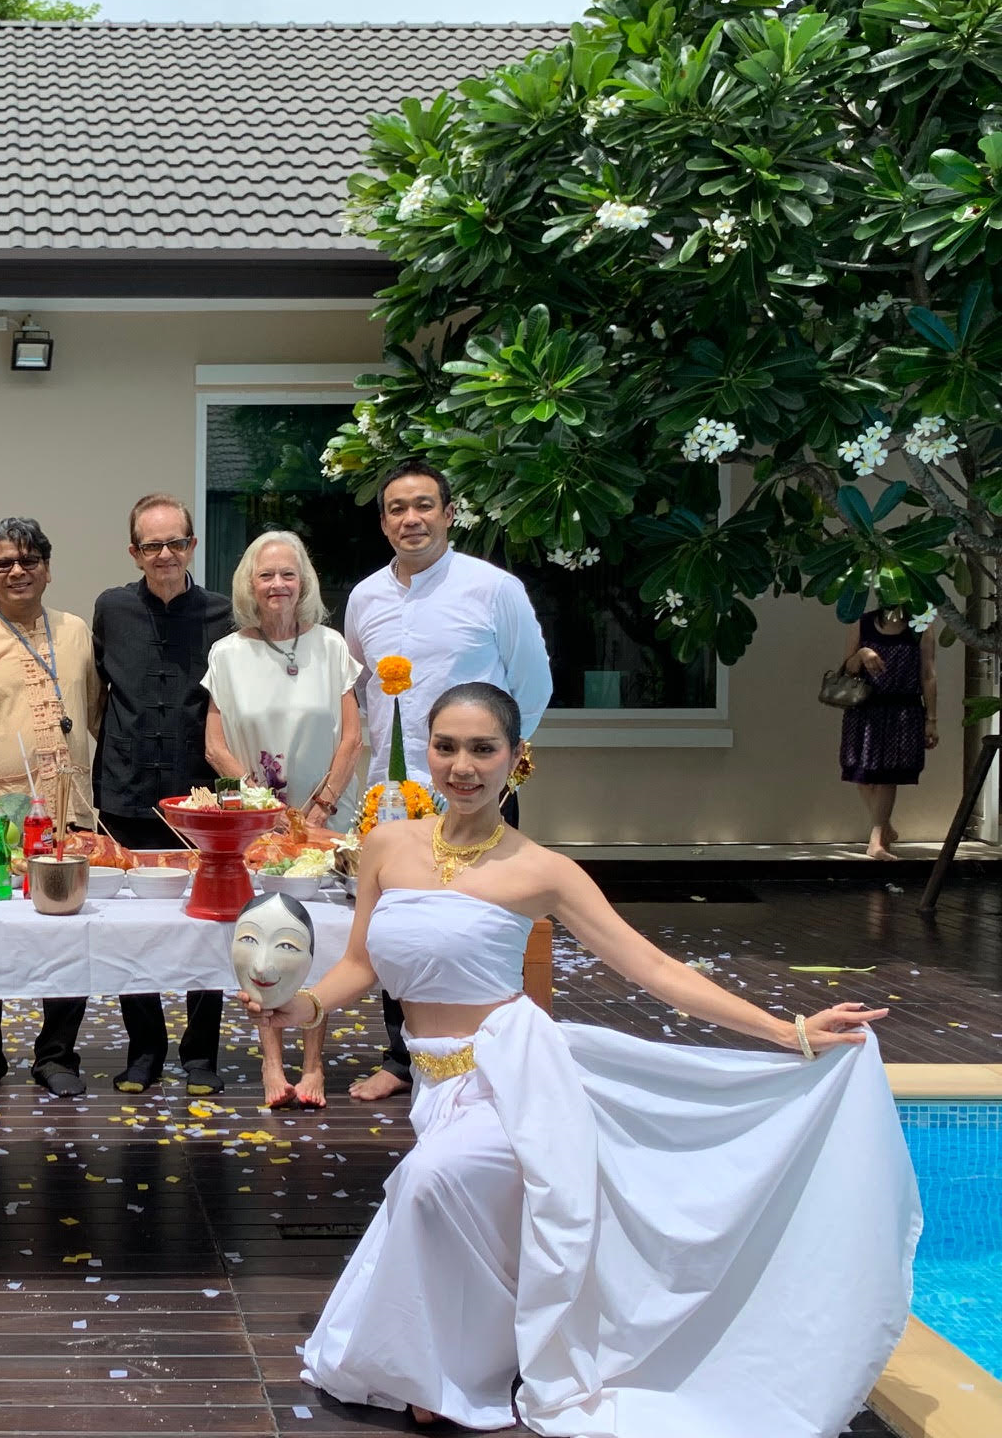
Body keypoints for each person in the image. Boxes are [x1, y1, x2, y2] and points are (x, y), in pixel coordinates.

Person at [253, 682, 917, 1436]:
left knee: (433, 1182)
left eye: (482, 749)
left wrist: (786, 1030)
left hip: (513, 1074)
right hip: (433, 1083)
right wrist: (301, 1006)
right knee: (456, 1205)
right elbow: (360, 965)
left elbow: (655, 970)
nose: (462, 766)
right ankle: (462, 1358)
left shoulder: (544, 870)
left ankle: (438, 1373)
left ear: (516, 759)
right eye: (446, 746)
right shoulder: (385, 846)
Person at [343, 459, 552, 1103]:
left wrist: (496, 771)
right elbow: (362, 684)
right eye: (398, 508)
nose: (412, 518)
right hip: (395, 796)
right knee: (397, 928)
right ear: (383, 523)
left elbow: (533, 685)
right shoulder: (365, 598)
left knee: (481, 927)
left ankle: (492, 1053)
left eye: (425, 505)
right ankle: (403, 1058)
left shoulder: (494, 590)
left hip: (476, 793)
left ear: (449, 513)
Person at [0, 516, 103, 1098]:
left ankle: (57, 1054)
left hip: (67, 817)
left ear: (48, 569)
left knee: (67, 936)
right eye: (3, 562)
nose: (17, 571)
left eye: (29, 560)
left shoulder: (77, 633)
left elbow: (97, 712)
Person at [203, 531, 361, 1108]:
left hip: (325, 815)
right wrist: (262, 807)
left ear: (305, 582)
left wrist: (320, 806)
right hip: (259, 819)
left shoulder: (332, 647)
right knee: (265, 939)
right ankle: (272, 1062)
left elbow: (352, 738)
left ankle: (314, 1064)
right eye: (265, 575)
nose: (277, 585)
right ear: (250, 584)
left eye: (287, 574)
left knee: (319, 938)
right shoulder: (226, 653)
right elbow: (215, 745)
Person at [92, 492, 233, 1094]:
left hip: (202, 799)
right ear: (134, 551)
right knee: (135, 928)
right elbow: (100, 691)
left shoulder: (223, 614)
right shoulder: (111, 609)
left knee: (209, 922)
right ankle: (144, 1048)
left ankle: (201, 1052)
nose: (166, 554)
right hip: (126, 791)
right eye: (152, 545)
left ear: (192, 546)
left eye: (176, 542)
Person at [837, 606, 937, 860]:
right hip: (865, 709)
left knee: (887, 774)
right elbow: (848, 668)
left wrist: (931, 719)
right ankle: (885, 827)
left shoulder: (921, 624)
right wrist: (862, 653)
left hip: (902, 709)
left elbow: (927, 674)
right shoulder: (862, 622)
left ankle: (876, 840)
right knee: (860, 772)